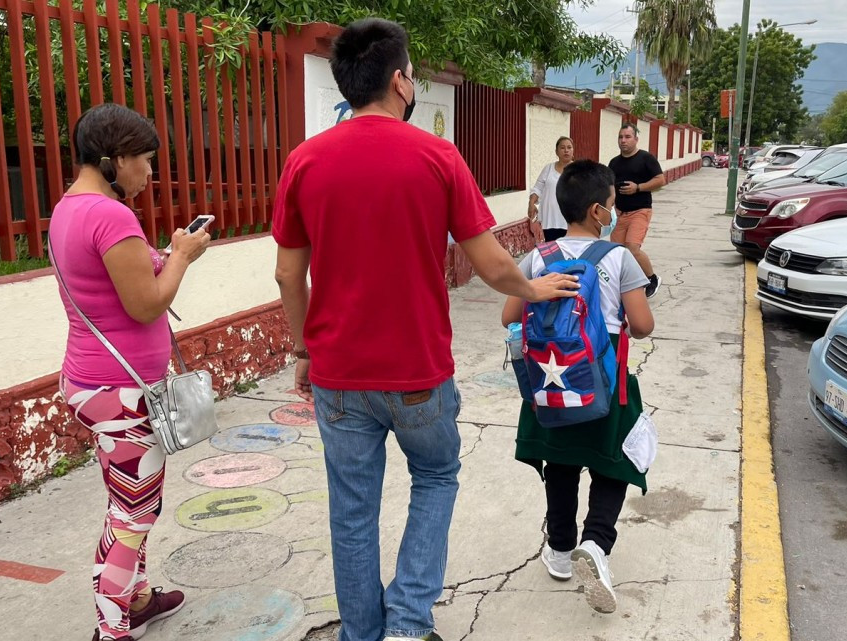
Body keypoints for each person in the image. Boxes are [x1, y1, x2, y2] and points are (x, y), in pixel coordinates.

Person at [271, 18, 579, 641]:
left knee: (351, 514)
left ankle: (362, 633)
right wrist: (536, 286)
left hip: (337, 376)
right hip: (416, 373)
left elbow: (286, 275)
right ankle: (409, 624)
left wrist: (304, 348)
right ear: (399, 81)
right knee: (436, 476)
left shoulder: (305, 161)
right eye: (412, 74)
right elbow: (492, 263)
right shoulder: (437, 155)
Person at [50, 103, 210, 641]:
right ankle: (113, 624)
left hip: (92, 382)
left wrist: (167, 254)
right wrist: (183, 259)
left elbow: (116, 284)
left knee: (129, 499)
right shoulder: (112, 214)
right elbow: (145, 305)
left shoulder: (70, 208)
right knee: (135, 513)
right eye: (143, 161)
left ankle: (137, 599)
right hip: (119, 394)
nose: (149, 173)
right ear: (113, 159)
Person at [500, 160, 656, 614]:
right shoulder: (619, 257)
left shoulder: (538, 258)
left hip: (553, 379)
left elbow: (509, 316)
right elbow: (642, 326)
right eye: (611, 205)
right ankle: (598, 544)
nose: (613, 212)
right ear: (595, 211)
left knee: (562, 459)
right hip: (604, 378)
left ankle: (562, 550)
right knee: (614, 461)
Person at [608, 123, 666, 298]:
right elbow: (609, 186)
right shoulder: (614, 162)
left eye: (627, 137)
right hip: (619, 213)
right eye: (620, 137)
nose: (623, 140)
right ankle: (623, 283)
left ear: (636, 139)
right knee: (616, 251)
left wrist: (638, 187)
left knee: (632, 247)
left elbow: (660, 180)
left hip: (640, 210)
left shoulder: (646, 158)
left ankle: (652, 279)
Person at [528, 136, 576, 242]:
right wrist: (531, 203)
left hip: (571, 220)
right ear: (556, 151)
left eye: (569, 147)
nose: (566, 150)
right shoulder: (548, 169)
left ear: (573, 151)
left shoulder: (578, 170)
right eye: (562, 148)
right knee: (553, 251)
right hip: (550, 219)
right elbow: (537, 188)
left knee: (568, 253)